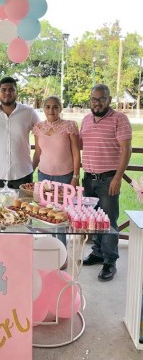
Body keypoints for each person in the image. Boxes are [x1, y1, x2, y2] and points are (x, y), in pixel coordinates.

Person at [81, 84, 132, 282]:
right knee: (94, 220)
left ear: (109, 100)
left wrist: (118, 178)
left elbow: (126, 150)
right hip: (89, 178)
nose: (97, 102)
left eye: (101, 99)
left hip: (108, 178)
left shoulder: (119, 119)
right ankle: (98, 253)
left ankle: (110, 261)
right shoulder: (86, 120)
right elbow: (80, 144)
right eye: (94, 99)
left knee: (109, 221)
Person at [33, 95, 80, 247]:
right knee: (47, 215)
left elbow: (76, 152)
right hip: (44, 177)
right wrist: (30, 170)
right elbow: (38, 153)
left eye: (55, 107)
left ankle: (63, 252)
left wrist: (75, 176)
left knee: (62, 216)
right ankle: (51, 248)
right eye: (48, 107)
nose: (51, 110)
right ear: (43, 109)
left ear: (60, 108)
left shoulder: (69, 126)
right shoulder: (38, 128)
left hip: (65, 177)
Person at [0, 76, 40, 189]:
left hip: (23, 172)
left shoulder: (29, 112)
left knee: (23, 205)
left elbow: (42, 135)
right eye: (3, 89)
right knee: (0, 206)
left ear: (16, 92)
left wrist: (33, 166)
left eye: (11, 89)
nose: (7, 92)